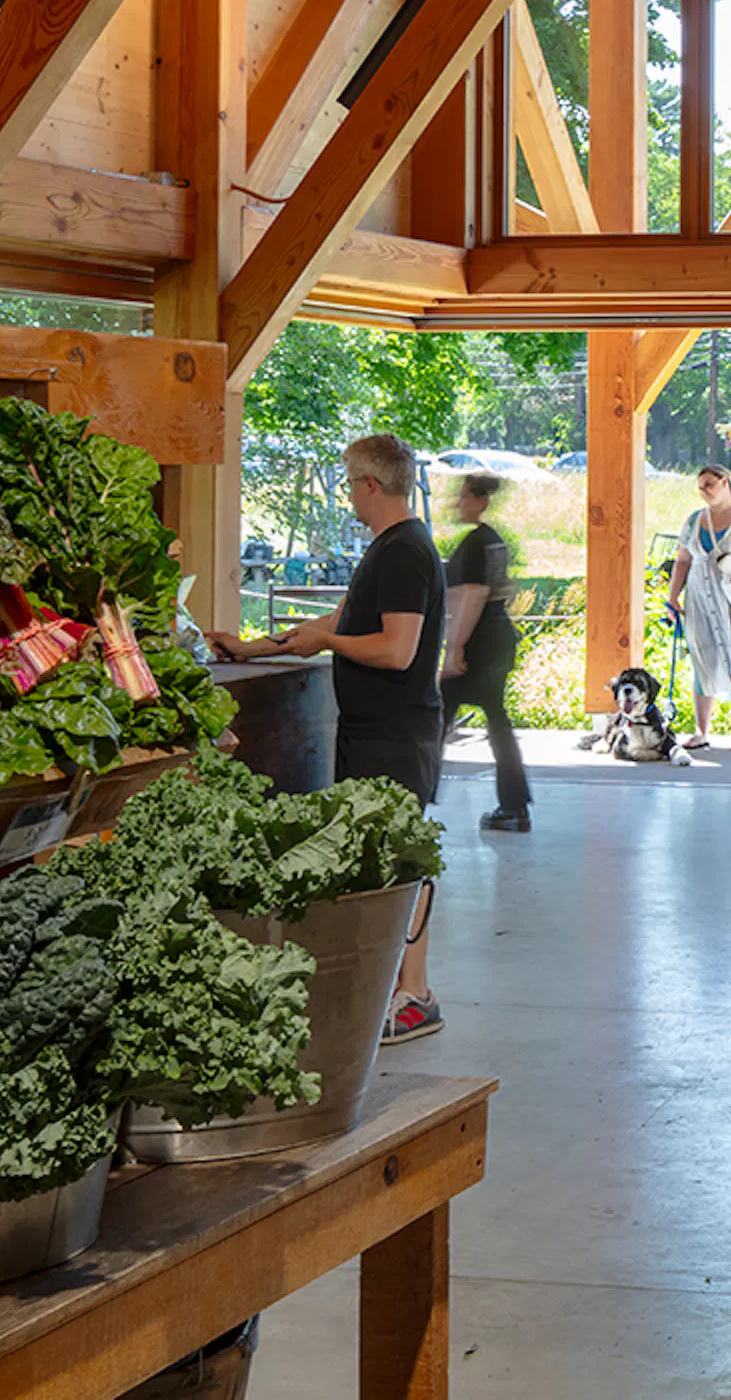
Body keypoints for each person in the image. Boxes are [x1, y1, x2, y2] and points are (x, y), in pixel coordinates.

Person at [216, 433, 446, 1039]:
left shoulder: (402, 553)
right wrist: (255, 646)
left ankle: (414, 992)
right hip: (377, 731)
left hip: (396, 733)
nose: (348, 494)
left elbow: (397, 650)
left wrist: (328, 644)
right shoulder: (390, 547)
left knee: (402, 859)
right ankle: (391, 984)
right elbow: (340, 621)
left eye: (349, 483)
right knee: (382, 858)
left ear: (371, 484)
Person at [442, 472, 531, 835]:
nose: (458, 503)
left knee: (438, 715)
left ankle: (410, 798)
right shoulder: (489, 541)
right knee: (494, 720)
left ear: (481, 501)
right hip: (495, 638)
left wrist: (455, 647)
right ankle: (514, 805)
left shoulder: (479, 542)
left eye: (464, 496)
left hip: (482, 640)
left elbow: (474, 594)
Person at [665, 466, 731, 750]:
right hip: (698, 598)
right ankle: (701, 730)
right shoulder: (694, 520)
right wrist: (673, 597)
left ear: (725, 483)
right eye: (700, 487)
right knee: (701, 658)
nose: (704, 491)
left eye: (709, 484)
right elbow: (682, 560)